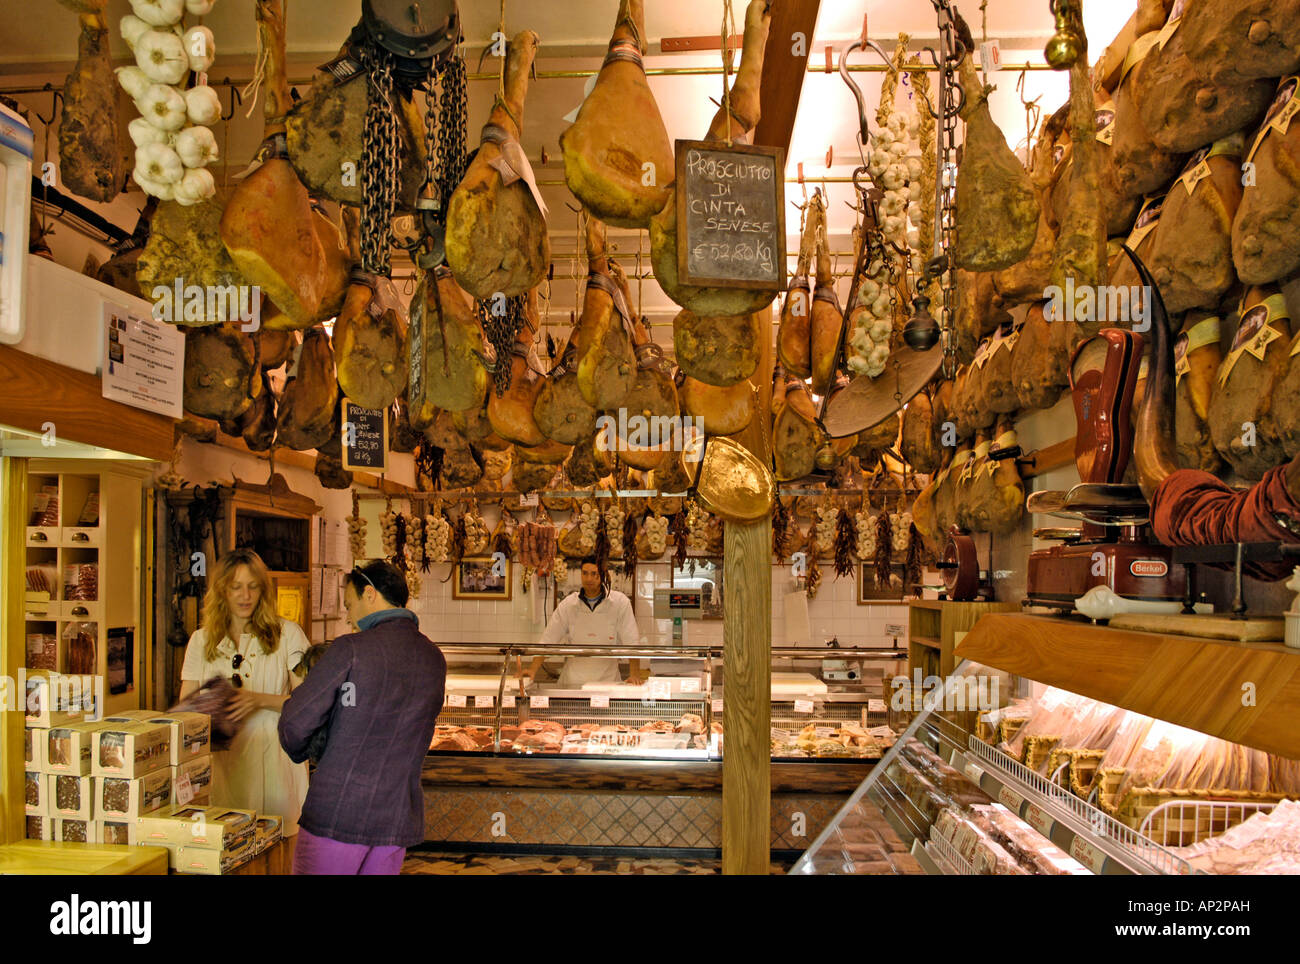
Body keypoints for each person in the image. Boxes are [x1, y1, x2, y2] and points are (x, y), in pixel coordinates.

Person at [279, 560, 446, 875]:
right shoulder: (433, 657)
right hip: (396, 816)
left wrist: (308, 751)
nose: (349, 615)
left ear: (369, 594)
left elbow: (295, 722)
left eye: (349, 604)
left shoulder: (350, 649)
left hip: (339, 813)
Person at [179, 549, 309, 837]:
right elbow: (187, 713)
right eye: (235, 587)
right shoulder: (200, 641)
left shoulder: (288, 634)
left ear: (263, 590)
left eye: (252, 586)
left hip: (276, 764)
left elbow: (308, 704)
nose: (245, 595)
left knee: (278, 855)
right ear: (222, 590)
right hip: (225, 767)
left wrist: (258, 699)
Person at [522, 556, 646, 688]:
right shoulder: (569, 604)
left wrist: (635, 674)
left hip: (607, 683)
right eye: (585, 573)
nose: (589, 579)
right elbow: (548, 639)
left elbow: (632, 641)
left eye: (594, 574)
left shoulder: (620, 603)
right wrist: (532, 670)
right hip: (573, 683)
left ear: (603, 574)